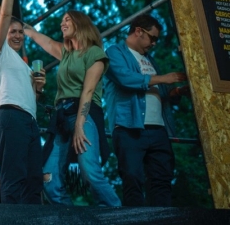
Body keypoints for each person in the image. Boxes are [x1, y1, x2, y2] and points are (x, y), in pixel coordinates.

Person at [25, 11, 121, 206]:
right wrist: (6, 15)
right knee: (48, 177)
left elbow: (88, 91)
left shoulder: (95, 53)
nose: (62, 24)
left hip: (84, 115)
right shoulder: (66, 54)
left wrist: (79, 125)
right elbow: (35, 34)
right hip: (61, 116)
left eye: (67, 19)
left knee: (90, 171)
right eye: (62, 21)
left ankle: (119, 215)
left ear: (80, 23)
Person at [104, 14, 188, 206]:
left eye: (157, 39)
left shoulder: (150, 60)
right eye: (153, 37)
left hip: (159, 129)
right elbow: (126, 79)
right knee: (132, 179)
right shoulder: (114, 52)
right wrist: (163, 79)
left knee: (162, 179)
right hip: (129, 127)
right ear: (138, 31)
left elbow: (157, 93)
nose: (155, 43)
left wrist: (176, 92)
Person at [0, 0, 46, 204]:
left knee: (34, 183)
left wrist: (38, 91)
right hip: (9, 117)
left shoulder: (23, 66)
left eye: (21, 32)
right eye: (13, 31)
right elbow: (6, 16)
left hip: (29, 122)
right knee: (13, 180)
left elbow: (29, 99)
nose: (18, 35)